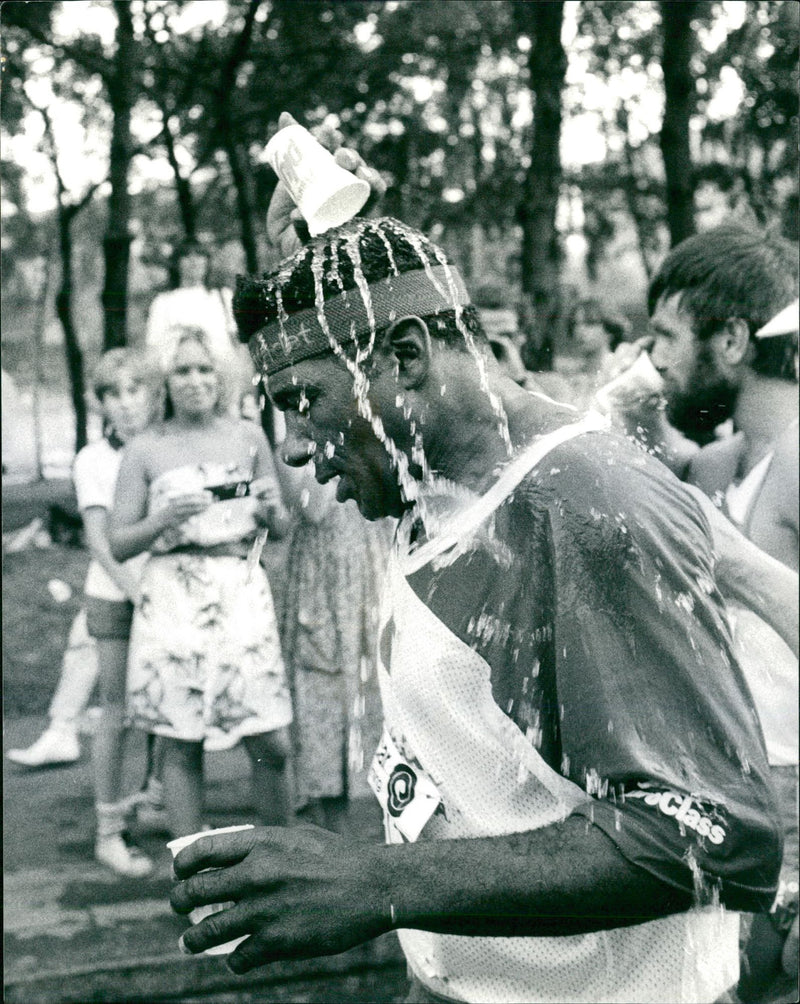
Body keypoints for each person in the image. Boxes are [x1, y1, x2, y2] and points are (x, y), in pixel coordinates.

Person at [171, 205, 782, 1004]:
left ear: (406, 357)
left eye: (301, 401)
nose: (291, 443)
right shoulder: (429, 480)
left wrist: (378, 882)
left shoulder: (586, 508)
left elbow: (710, 834)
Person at [646, 226, 799, 1004]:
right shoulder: (708, 465)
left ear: (733, 338)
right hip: (713, 795)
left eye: (666, 336)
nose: (655, 359)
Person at [109, 331, 293, 839]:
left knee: (271, 740)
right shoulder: (146, 447)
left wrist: (271, 510)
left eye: (204, 369)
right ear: (164, 382)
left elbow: (280, 528)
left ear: (222, 375)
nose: (195, 381)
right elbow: (119, 542)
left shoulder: (249, 435)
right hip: (172, 595)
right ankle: (192, 870)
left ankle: (284, 859)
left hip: (240, 590)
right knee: (180, 741)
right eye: (182, 371)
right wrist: (162, 518)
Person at [64, 349, 164, 875]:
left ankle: (154, 800)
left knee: (166, 706)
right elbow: (99, 540)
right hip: (116, 597)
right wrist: (134, 590)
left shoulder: (163, 446)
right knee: (117, 711)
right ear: (101, 403)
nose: (126, 404)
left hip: (167, 594)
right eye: (113, 394)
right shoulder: (92, 459)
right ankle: (107, 829)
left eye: (134, 390)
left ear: (151, 393)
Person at [276, 466, 393, 833]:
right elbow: (314, 506)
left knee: (379, 696)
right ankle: (331, 831)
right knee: (321, 702)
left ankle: (387, 829)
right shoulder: (296, 441)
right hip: (322, 581)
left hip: (371, 569)